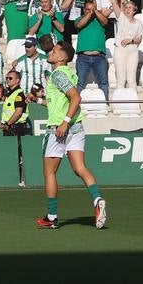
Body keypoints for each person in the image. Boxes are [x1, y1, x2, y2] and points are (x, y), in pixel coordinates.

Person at [36, 34, 107, 229]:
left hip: (60, 129)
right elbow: (61, 103)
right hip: (75, 127)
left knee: (49, 172)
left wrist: (64, 122)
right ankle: (97, 199)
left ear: (62, 57)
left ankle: (51, 217)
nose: (51, 51)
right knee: (80, 169)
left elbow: (76, 98)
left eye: (55, 50)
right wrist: (38, 101)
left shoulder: (58, 74)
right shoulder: (68, 72)